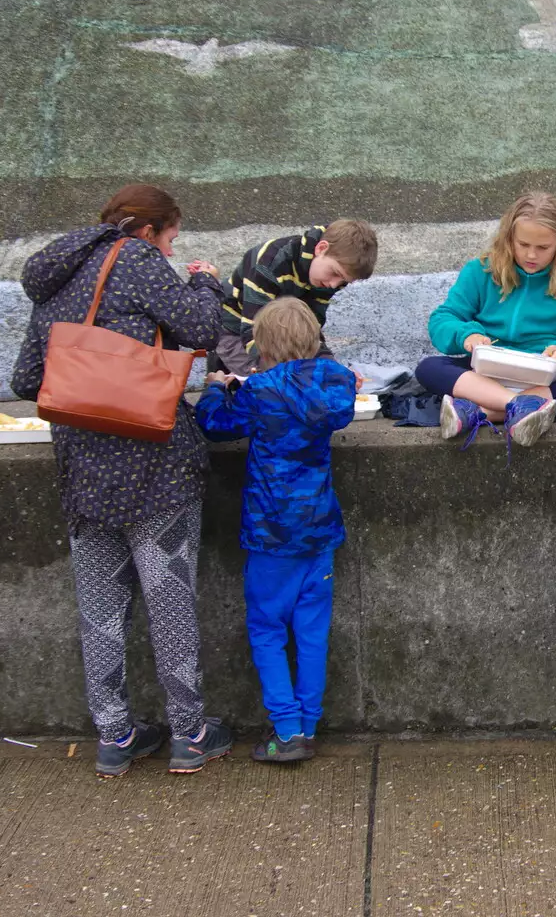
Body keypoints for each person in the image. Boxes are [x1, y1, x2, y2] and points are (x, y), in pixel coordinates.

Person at [10, 183, 235, 778]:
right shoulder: (134, 258)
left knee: (101, 610)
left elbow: (27, 377)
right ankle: (189, 734)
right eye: (171, 236)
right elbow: (203, 327)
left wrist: (94, 380)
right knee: (168, 603)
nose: (171, 245)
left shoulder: (57, 273)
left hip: (84, 468)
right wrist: (205, 279)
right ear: (150, 231)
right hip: (153, 467)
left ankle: (115, 737)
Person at [194, 298, 357, 763]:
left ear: (261, 346)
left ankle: (285, 730)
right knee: (312, 631)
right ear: (313, 340)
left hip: (271, 534)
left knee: (267, 629)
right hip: (319, 529)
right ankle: (308, 723)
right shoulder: (336, 385)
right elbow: (337, 403)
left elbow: (216, 425)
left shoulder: (259, 391)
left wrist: (213, 388)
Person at [417, 191, 556, 448]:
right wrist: (467, 336)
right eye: (523, 245)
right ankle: (519, 407)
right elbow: (443, 319)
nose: (531, 255)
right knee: (428, 368)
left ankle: (478, 412)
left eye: (543, 248)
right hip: (483, 373)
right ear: (509, 238)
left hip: (542, 378)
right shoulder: (480, 271)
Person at [213, 219, 379, 376]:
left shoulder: (325, 278)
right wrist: (286, 377)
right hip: (236, 333)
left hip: (280, 340)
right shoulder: (269, 263)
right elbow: (252, 332)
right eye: (335, 273)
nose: (334, 285)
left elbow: (309, 333)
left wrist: (333, 371)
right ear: (321, 248)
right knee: (275, 386)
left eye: (344, 282)